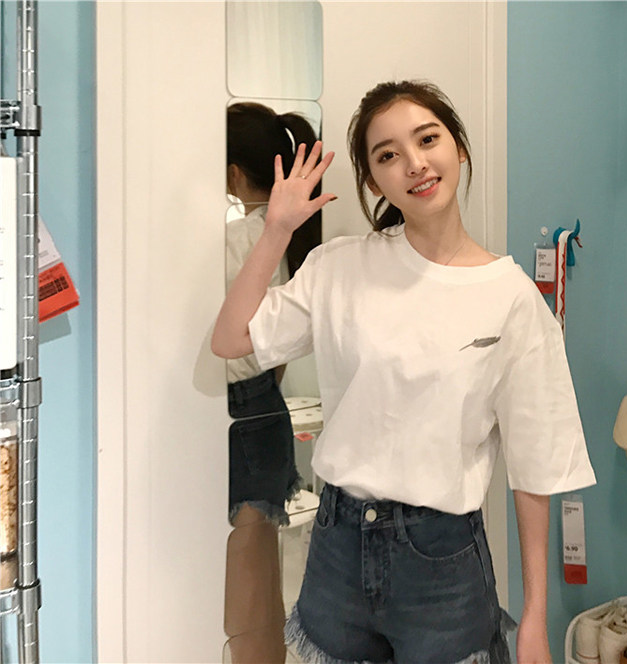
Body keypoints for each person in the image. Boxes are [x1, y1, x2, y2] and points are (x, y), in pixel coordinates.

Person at [212, 81, 596, 664]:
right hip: (336, 548)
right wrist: (276, 230)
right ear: (373, 182)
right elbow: (231, 339)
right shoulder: (340, 266)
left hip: (442, 558)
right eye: (388, 154)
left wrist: (535, 621)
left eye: (428, 139)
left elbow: (535, 465)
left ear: (458, 148)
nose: (414, 163)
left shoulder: (510, 298)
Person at [223, 101, 321, 663]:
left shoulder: (237, 237)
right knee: (259, 570)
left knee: (242, 575)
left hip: (239, 409)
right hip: (264, 403)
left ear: (234, 173)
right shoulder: (277, 234)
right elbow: (274, 353)